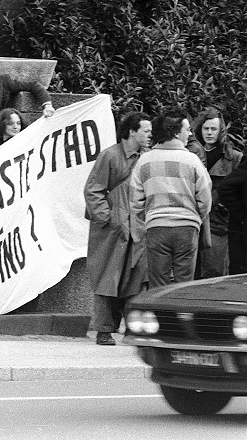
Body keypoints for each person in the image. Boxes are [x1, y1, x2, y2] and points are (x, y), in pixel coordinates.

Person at [84, 112, 152, 346]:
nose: (149, 135)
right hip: (111, 231)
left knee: (135, 280)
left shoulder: (146, 158)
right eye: (145, 130)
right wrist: (109, 219)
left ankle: (132, 328)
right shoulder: (110, 156)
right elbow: (93, 190)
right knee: (107, 279)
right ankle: (104, 330)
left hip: (137, 228)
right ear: (132, 131)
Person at [130, 109, 212, 288]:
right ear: (175, 132)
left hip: (156, 227)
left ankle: (160, 315)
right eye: (187, 129)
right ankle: (180, 315)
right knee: (183, 285)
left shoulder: (144, 161)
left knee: (158, 285)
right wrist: (195, 216)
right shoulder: (192, 160)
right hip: (187, 228)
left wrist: (140, 229)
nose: (189, 133)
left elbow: (136, 202)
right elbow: (205, 198)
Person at [193, 107, 242, 278]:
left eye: (213, 129)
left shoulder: (234, 157)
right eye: (205, 128)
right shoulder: (192, 154)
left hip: (219, 222)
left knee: (215, 272)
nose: (209, 133)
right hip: (195, 217)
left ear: (221, 130)